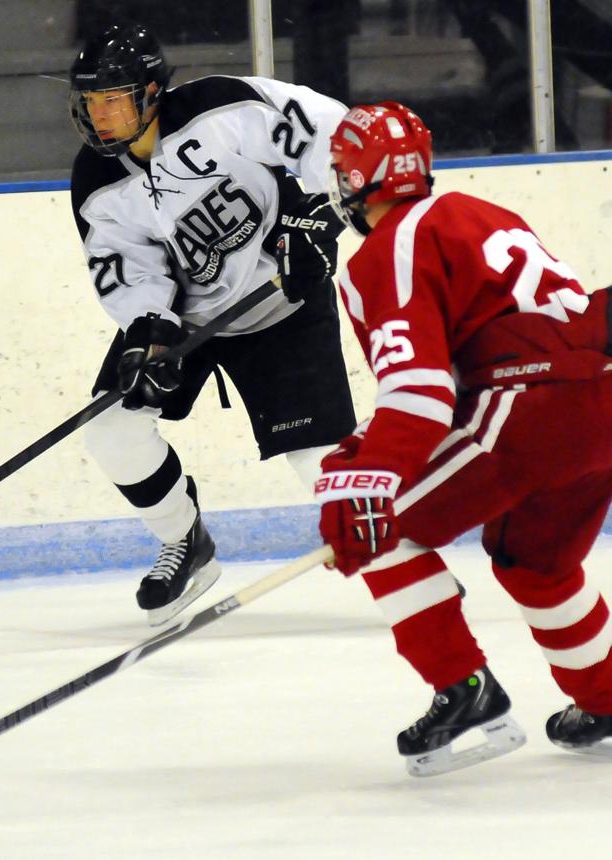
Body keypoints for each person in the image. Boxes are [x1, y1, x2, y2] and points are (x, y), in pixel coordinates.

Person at [316, 100, 612, 775]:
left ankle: (463, 687)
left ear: (358, 179)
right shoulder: (480, 213)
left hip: (530, 406)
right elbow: (468, 369)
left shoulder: (385, 252)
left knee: (380, 524)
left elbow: (421, 393)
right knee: (536, 561)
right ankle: (605, 696)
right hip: (599, 398)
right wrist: (369, 447)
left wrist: (368, 478)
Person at [67, 21, 357, 626]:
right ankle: (185, 540)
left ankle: (407, 562)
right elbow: (127, 266)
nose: (101, 117)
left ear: (152, 92)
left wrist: (326, 214)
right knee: (111, 429)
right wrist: (149, 331)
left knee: (320, 463)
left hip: (279, 301)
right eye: (92, 102)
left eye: (113, 101)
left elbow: (335, 135)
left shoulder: (222, 109)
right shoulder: (95, 180)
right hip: (189, 320)